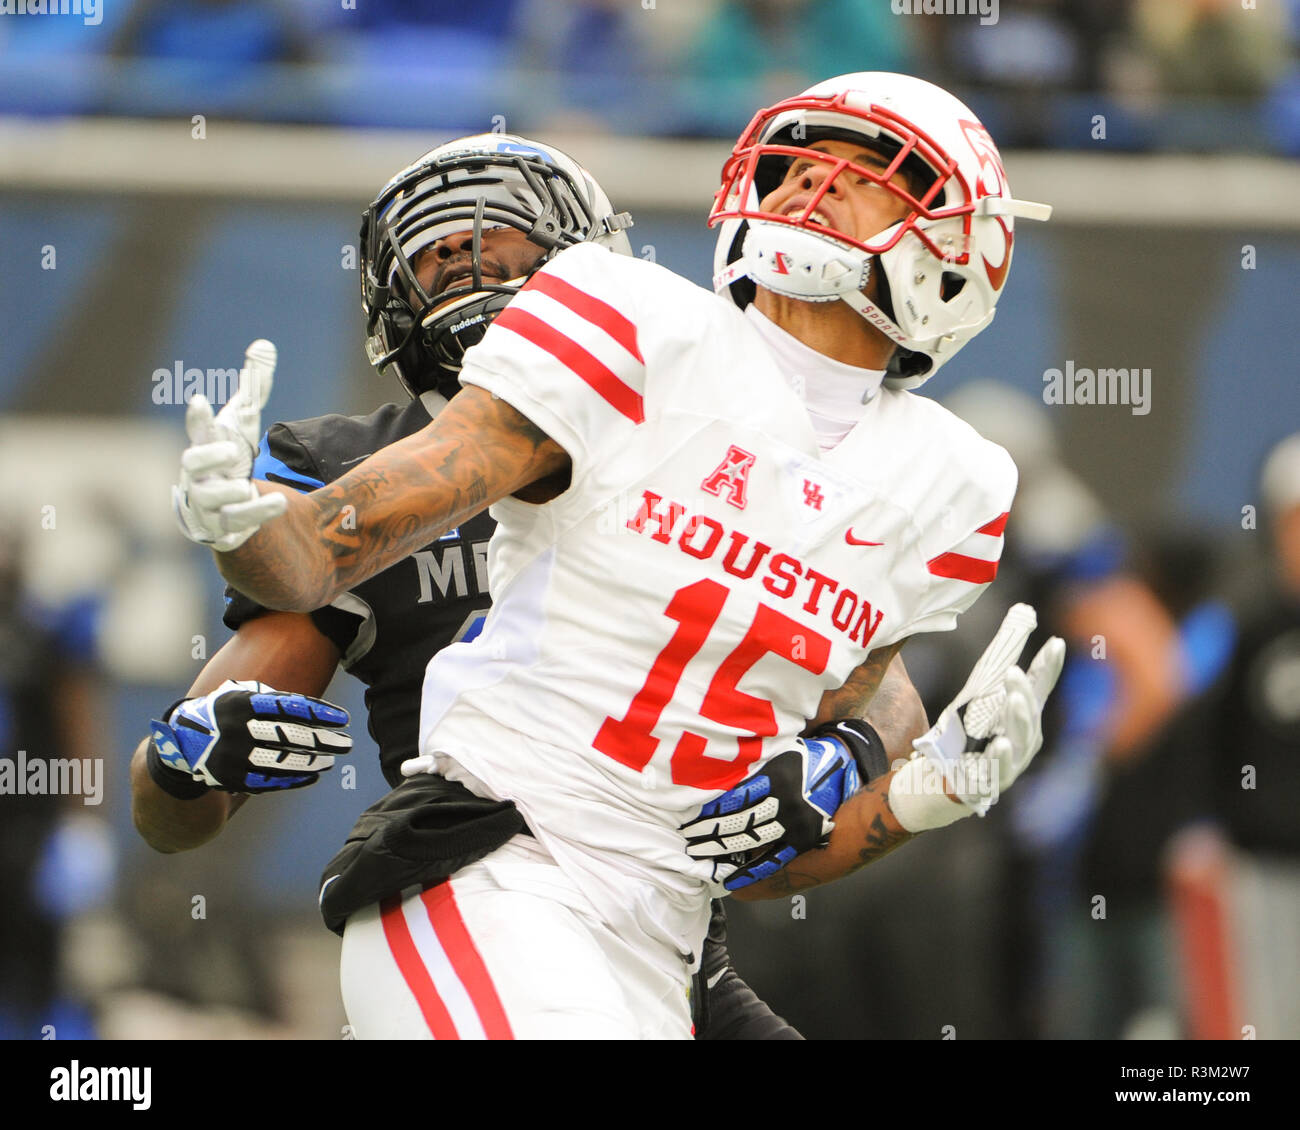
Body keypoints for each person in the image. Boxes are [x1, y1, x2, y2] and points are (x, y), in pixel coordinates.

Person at [170, 73, 1063, 1039]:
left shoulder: (950, 484)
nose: (817, 181)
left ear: (959, 247)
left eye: (869, 169)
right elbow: (314, 556)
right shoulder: (634, 319)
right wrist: (248, 530)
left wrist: (935, 790)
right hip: (494, 874)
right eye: (803, 160)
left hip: (669, 940)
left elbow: (761, 853)